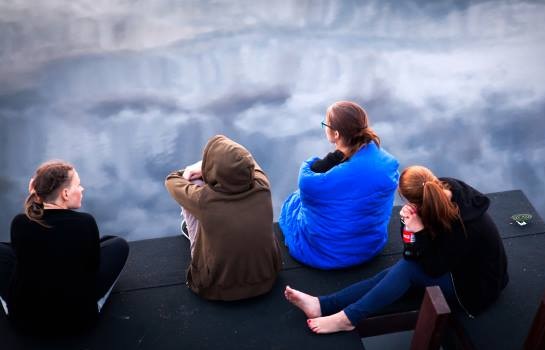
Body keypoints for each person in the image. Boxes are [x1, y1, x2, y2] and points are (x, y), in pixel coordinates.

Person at [284, 165, 509, 333]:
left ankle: (347, 319)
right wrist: (407, 225)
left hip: (475, 288)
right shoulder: (437, 193)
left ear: (413, 200)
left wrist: (419, 232)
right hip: (454, 265)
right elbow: (411, 253)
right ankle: (324, 304)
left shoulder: (464, 226)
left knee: (407, 270)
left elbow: (432, 267)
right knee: (397, 271)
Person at [0, 161, 129, 334]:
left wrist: (36, 196)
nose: (82, 189)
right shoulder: (85, 222)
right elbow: (92, 269)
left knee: (8, 252)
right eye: (78, 184)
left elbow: (21, 258)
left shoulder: (20, 223)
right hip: (79, 320)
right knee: (118, 244)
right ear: (66, 193)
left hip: (23, 320)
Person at [279, 101, 399, 269]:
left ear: (336, 134)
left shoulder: (318, 180)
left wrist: (328, 159)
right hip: (370, 247)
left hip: (324, 254)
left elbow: (307, 180)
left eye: (325, 124)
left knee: (294, 201)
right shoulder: (387, 163)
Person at [165, 135, 282, 301]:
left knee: (194, 185)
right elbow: (251, 162)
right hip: (267, 279)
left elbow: (171, 181)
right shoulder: (263, 186)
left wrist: (197, 169)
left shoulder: (205, 200)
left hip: (216, 289)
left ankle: (197, 235)